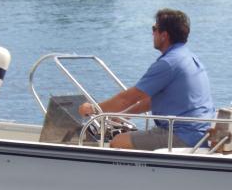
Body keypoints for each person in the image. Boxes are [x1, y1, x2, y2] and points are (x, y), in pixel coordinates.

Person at [78, 9, 214, 150]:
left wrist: (94, 109)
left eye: (154, 28)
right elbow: (154, 99)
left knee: (118, 141)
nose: (152, 33)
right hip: (198, 133)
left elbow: (127, 98)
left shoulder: (168, 63)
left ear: (164, 35)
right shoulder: (188, 57)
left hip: (182, 135)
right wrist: (124, 114)